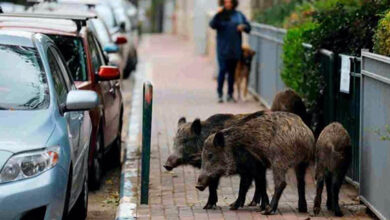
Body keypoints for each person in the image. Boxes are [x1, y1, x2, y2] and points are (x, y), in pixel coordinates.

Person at [210, 0, 251, 103]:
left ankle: (230, 94)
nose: (228, 4)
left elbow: (248, 28)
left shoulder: (239, 15)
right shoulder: (220, 15)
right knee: (222, 70)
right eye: (226, 2)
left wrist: (243, 27)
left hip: (235, 48)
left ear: (233, 3)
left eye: (230, 2)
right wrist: (217, 14)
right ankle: (219, 93)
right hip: (222, 48)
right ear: (223, 3)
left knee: (232, 73)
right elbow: (212, 25)